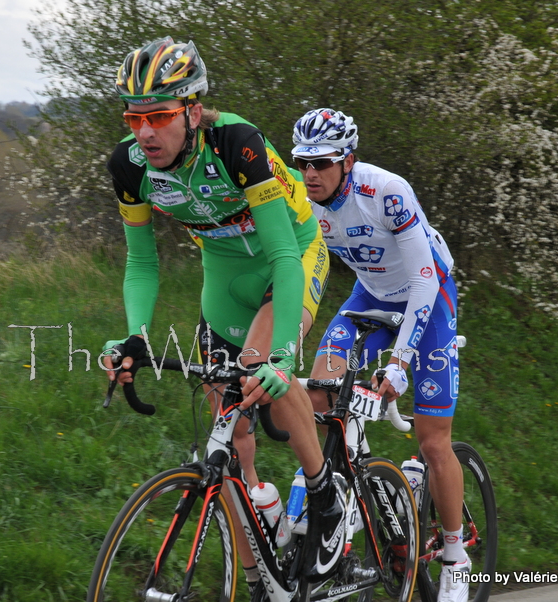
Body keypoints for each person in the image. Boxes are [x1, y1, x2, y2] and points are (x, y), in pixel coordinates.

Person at [101, 38, 344, 595]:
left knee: (263, 369)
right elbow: (141, 262)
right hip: (226, 277)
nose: (145, 132)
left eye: (159, 116)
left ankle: (323, 491)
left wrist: (284, 354)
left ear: (190, 110)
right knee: (226, 423)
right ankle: (259, 559)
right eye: (135, 118)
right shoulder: (129, 166)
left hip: (291, 257)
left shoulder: (237, 143)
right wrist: (136, 337)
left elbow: (285, 254)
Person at [292, 108, 470, 602]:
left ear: (347, 161)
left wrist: (399, 363)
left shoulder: (385, 191)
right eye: (303, 162)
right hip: (369, 298)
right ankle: (350, 500)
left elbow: (423, 280)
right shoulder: (305, 202)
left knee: (435, 444)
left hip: (427, 298)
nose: (310, 173)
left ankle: (455, 556)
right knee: (318, 397)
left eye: (322, 163)